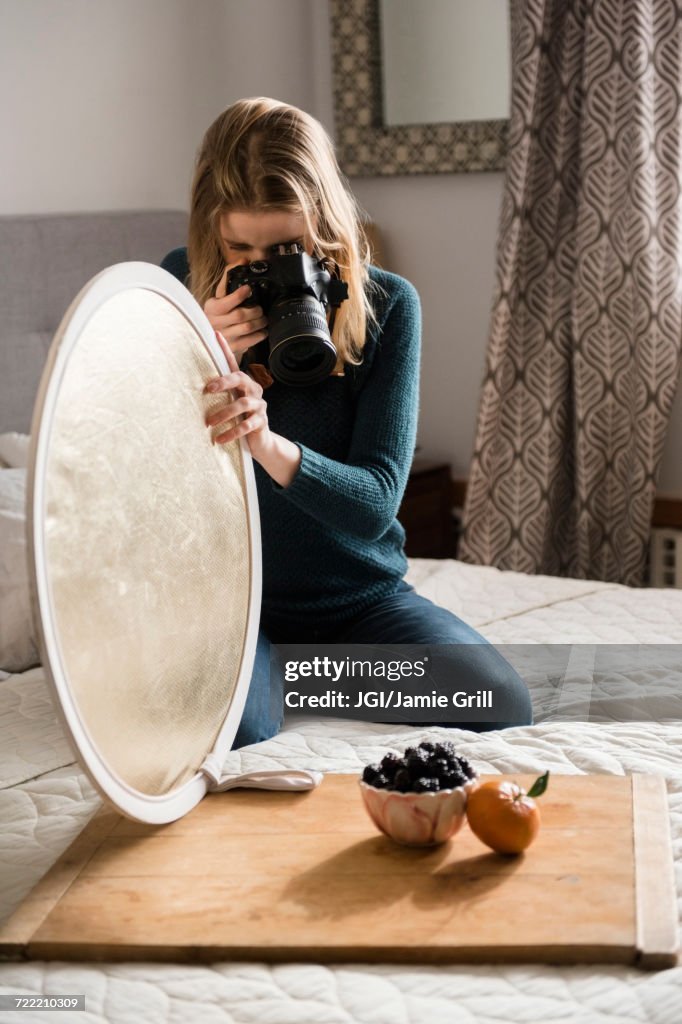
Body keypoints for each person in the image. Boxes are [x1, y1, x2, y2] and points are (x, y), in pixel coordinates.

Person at [161, 96, 533, 747]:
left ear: (324, 229)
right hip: (232, 606)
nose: (261, 269)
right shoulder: (175, 287)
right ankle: (261, 676)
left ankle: (283, 677)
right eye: (238, 246)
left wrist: (266, 442)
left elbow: (375, 502)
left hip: (360, 601)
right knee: (242, 731)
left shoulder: (388, 305)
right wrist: (194, 352)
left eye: (286, 249)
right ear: (209, 230)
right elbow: (141, 475)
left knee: (500, 699)